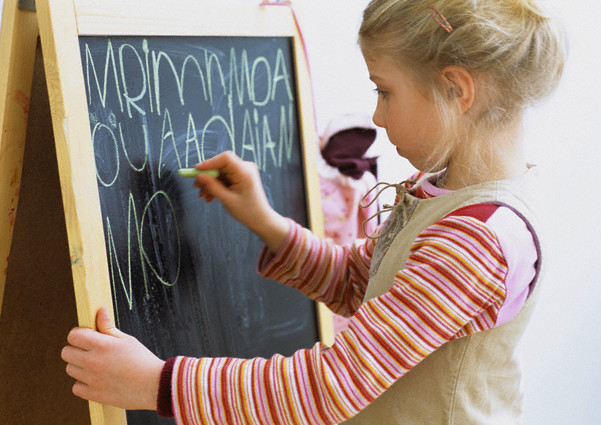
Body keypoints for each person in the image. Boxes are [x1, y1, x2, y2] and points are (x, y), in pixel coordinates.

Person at [61, 0, 566, 423]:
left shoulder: (477, 241)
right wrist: (267, 223)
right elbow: (358, 284)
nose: (376, 115)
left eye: (384, 90)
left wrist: (156, 382)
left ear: (457, 90)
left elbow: (330, 386)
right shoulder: (446, 193)